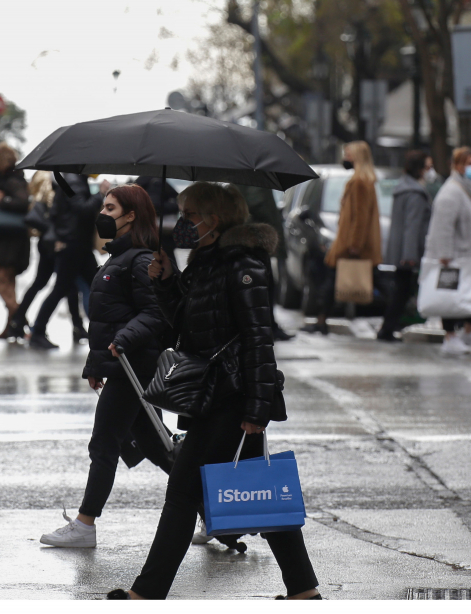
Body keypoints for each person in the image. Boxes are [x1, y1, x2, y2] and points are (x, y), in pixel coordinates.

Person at [106, 182, 320, 601]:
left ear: (214, 221)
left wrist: (257, 410)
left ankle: (147, 593)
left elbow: (259, 339)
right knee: (263, 495)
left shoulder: (245, 267)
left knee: (183, 492)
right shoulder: (207, 261)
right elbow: (184, 327)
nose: (182, 223)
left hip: (233, 397)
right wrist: (166, 282)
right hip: (213, 396)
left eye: (189, 215)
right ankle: (303, 589)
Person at [40, 184, 173, 548]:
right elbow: (106, 321)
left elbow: (155, 314)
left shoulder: (140, 260)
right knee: (158, 448)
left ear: (131, 216)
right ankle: (213, 513)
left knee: (104, 445)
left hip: (134, 368)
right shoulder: (117, 259)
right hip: (121, 366)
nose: (103, 214)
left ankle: (85, 525)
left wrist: (124, 341)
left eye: (111, 208)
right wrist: (94, 364)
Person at [302, 141, 381, 335]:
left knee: (331, 282)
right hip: (349, 242)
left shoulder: (359, 182)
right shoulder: (361, 180)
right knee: (333, 281)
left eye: (348, 154)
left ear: (358, 157)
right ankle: (321, 322)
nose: (345, 158)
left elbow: (360, 217)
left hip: (349, 244)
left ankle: (321, 322)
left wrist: (354, 244)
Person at [425, 147, 471, 355]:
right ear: (457, 166)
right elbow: (442, 226)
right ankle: (450, 335)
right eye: (468, 163)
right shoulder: (451, 191)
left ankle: (469, 330)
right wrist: (444, 253)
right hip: (458, 254)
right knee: (451, 294)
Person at [28, 173, 107, 350]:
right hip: (74, 245)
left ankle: (103, 332)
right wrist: (100, 194)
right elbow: (83, 209)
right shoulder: (73, 182)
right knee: (63, 288)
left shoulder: (71, 181)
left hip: (75, 244)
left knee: (96, 285)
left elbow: (57, 213)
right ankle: (38, 332)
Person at [8, 171, 86, 338]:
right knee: (61, 285)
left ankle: (19, 321)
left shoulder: (41, 175)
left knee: (57, 284)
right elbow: (56, 210)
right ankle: (33, 326)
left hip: (48, 240)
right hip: (54, 241)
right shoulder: (52, 177)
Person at [377, 150, 432, 342]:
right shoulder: (415, 193)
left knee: (401, 290)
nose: (430, 171)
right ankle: (388, 329)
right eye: (427, 167)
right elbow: (412, 225)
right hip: (408, 253)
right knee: (401, 292)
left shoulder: (403, 188)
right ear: (419, 169)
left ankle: (390, 326)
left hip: (401, 251)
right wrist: (410, 256)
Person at [0, 143, 32, 337]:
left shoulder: (12, 180)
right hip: (9, 238)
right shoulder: (12, 178)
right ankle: (12, 327)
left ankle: (21, 320)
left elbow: (22, 202)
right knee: (8, 284)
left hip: (6, 240)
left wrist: (1, 200)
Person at [234, 183, 295, 341]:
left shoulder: (253, 177)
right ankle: (265, 327)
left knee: (265, 285)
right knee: (262, 285)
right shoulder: (252, 179)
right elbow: (257, 204)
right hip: (255, 240)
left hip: (257, 239)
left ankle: (268, 326)